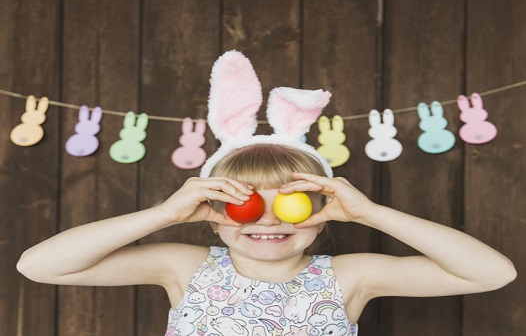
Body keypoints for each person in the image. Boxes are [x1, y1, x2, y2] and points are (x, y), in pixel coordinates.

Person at [17, 52, 516, 336]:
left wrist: (372, 214)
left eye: (291, 203)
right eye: (245, 202)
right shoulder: (184, 267)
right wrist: (162, 215)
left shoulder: (350, 277)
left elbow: (493, 274)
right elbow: (39, 266)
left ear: (324, 214)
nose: (270, 220)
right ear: (210, 215)